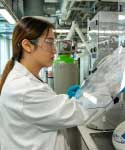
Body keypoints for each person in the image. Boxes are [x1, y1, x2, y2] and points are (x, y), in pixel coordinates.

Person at [0, 17, 92, 150]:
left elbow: (43, 108)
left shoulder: (27, 80)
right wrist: (111, 88)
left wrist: (63, 99)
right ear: (27, 45)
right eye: (49, 42)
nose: (54, 50)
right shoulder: (23, 88)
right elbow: (77, 112)